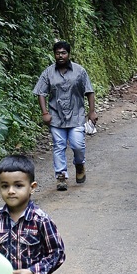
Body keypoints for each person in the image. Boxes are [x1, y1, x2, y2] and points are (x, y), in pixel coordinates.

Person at [33, 40, 98, 191]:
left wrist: (92, 111)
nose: (60, 56)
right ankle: (61, 176)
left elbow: (89, 91)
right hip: (56, 116)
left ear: (68, 54)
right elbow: (41, 93)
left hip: (76, 115)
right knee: (59, 146)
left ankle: (79, 164)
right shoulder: (48, 73)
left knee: (77, 145)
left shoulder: (79, 71)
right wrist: (45, 113)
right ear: (54, 55)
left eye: (63, 53)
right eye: (57, 53)